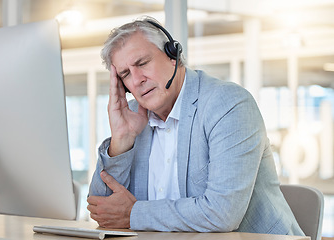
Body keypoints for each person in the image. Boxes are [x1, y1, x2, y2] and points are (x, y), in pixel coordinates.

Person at [87, 16, 304, 235]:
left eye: (142, 63)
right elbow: (102, 209)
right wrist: (121, 142)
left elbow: (222, 214)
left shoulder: (228, 104)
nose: (137, 80)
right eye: (125, 74)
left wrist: (134, 213)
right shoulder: (132, 118)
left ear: (173, 55)